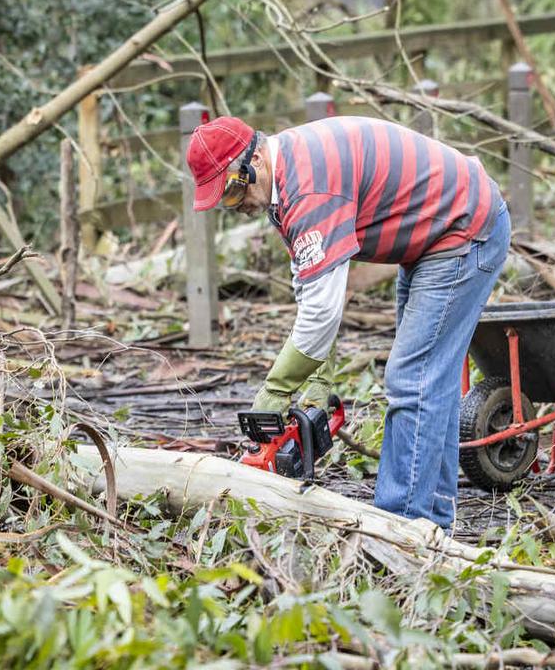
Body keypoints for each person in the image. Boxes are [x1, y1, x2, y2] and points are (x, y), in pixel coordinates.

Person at [185, 114, 509, 528]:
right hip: (430, 240)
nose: (238, 206)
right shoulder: (283, 188)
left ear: (255, 162)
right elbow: (315, 289)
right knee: (430, 382)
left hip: (465, 228)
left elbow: (321, 313)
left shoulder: (310, 189)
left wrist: (277, 388)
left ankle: (399, 530)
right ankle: (434, 522)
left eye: (232, 193)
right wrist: (319, 380)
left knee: (412, 378)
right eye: (226, 204)